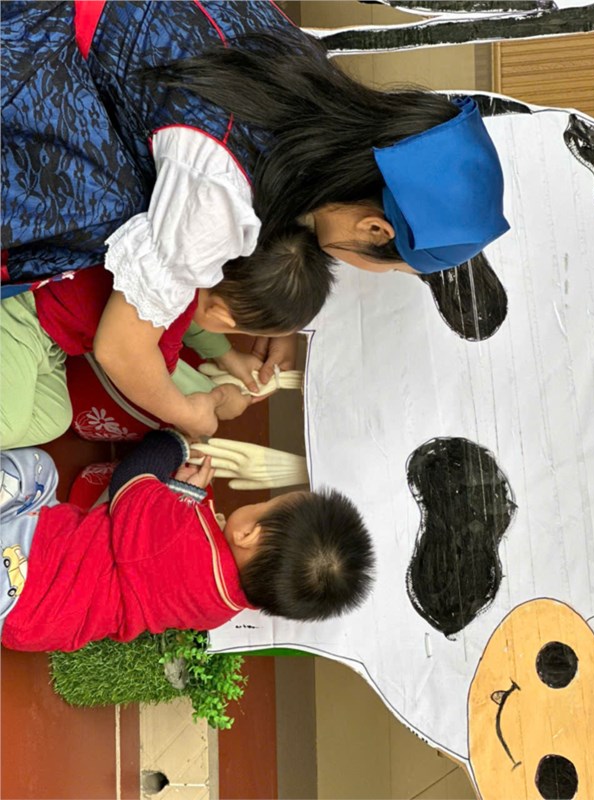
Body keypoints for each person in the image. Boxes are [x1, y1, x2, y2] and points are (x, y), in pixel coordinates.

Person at [2, 1, 509, 388]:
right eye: (394, 268)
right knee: (110, 208)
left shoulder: (303, 67)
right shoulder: (220, 189)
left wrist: (276, 318)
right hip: (28, 66)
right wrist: (190, 415)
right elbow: (120, 351)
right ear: (375, 228)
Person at [0, 430, 376, 652]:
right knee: (45, 483)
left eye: (266, 503)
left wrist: (173, 442)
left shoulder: (180, 533)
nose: (259, 501)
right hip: (39, 625)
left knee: (36, 468)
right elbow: (160, 568)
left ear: (248, 534)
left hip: (27, 568)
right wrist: (181, 493)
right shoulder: (223, 607)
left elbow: (132, 478)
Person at [0, 227, 334, 448]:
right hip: (22, 315)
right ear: (223, 316)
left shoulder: (190, 265)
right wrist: (220, 401)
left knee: (54, 419)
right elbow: (157, 376)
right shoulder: (171, 304)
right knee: (9, 425)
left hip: (52, 340)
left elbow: (196, 322)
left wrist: (229, 357)